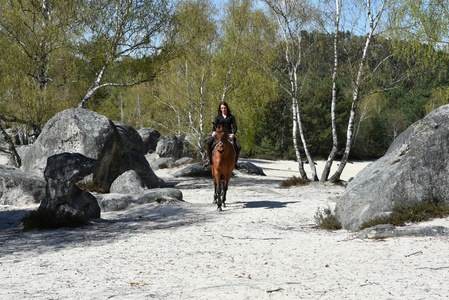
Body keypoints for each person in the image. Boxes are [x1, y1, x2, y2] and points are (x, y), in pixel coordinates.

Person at [204, 101, 241, 167]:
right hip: (219, 134)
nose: (223, 109)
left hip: (229, 134)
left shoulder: (231, 117)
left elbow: (235, 127)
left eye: (224, 108)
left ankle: (235, 162)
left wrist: (233, 134)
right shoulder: (218, 117)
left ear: (227, 108)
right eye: (222, 108)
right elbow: (214, 127)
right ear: (220, 109)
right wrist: (213, 132)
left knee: (238, 146)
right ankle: (209, 160)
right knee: (209, 143)